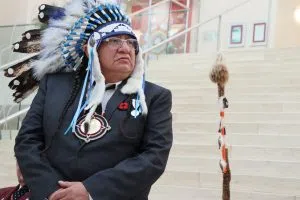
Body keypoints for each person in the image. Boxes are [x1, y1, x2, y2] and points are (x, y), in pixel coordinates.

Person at [13, 0, 173, 200]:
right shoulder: (54, 85)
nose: (125, 48)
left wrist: (90, 190)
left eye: (131, 42)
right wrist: (51, 190)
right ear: (90, 50)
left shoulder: (154, 97)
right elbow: (27, 140)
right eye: (114, 41)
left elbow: (153, 158)